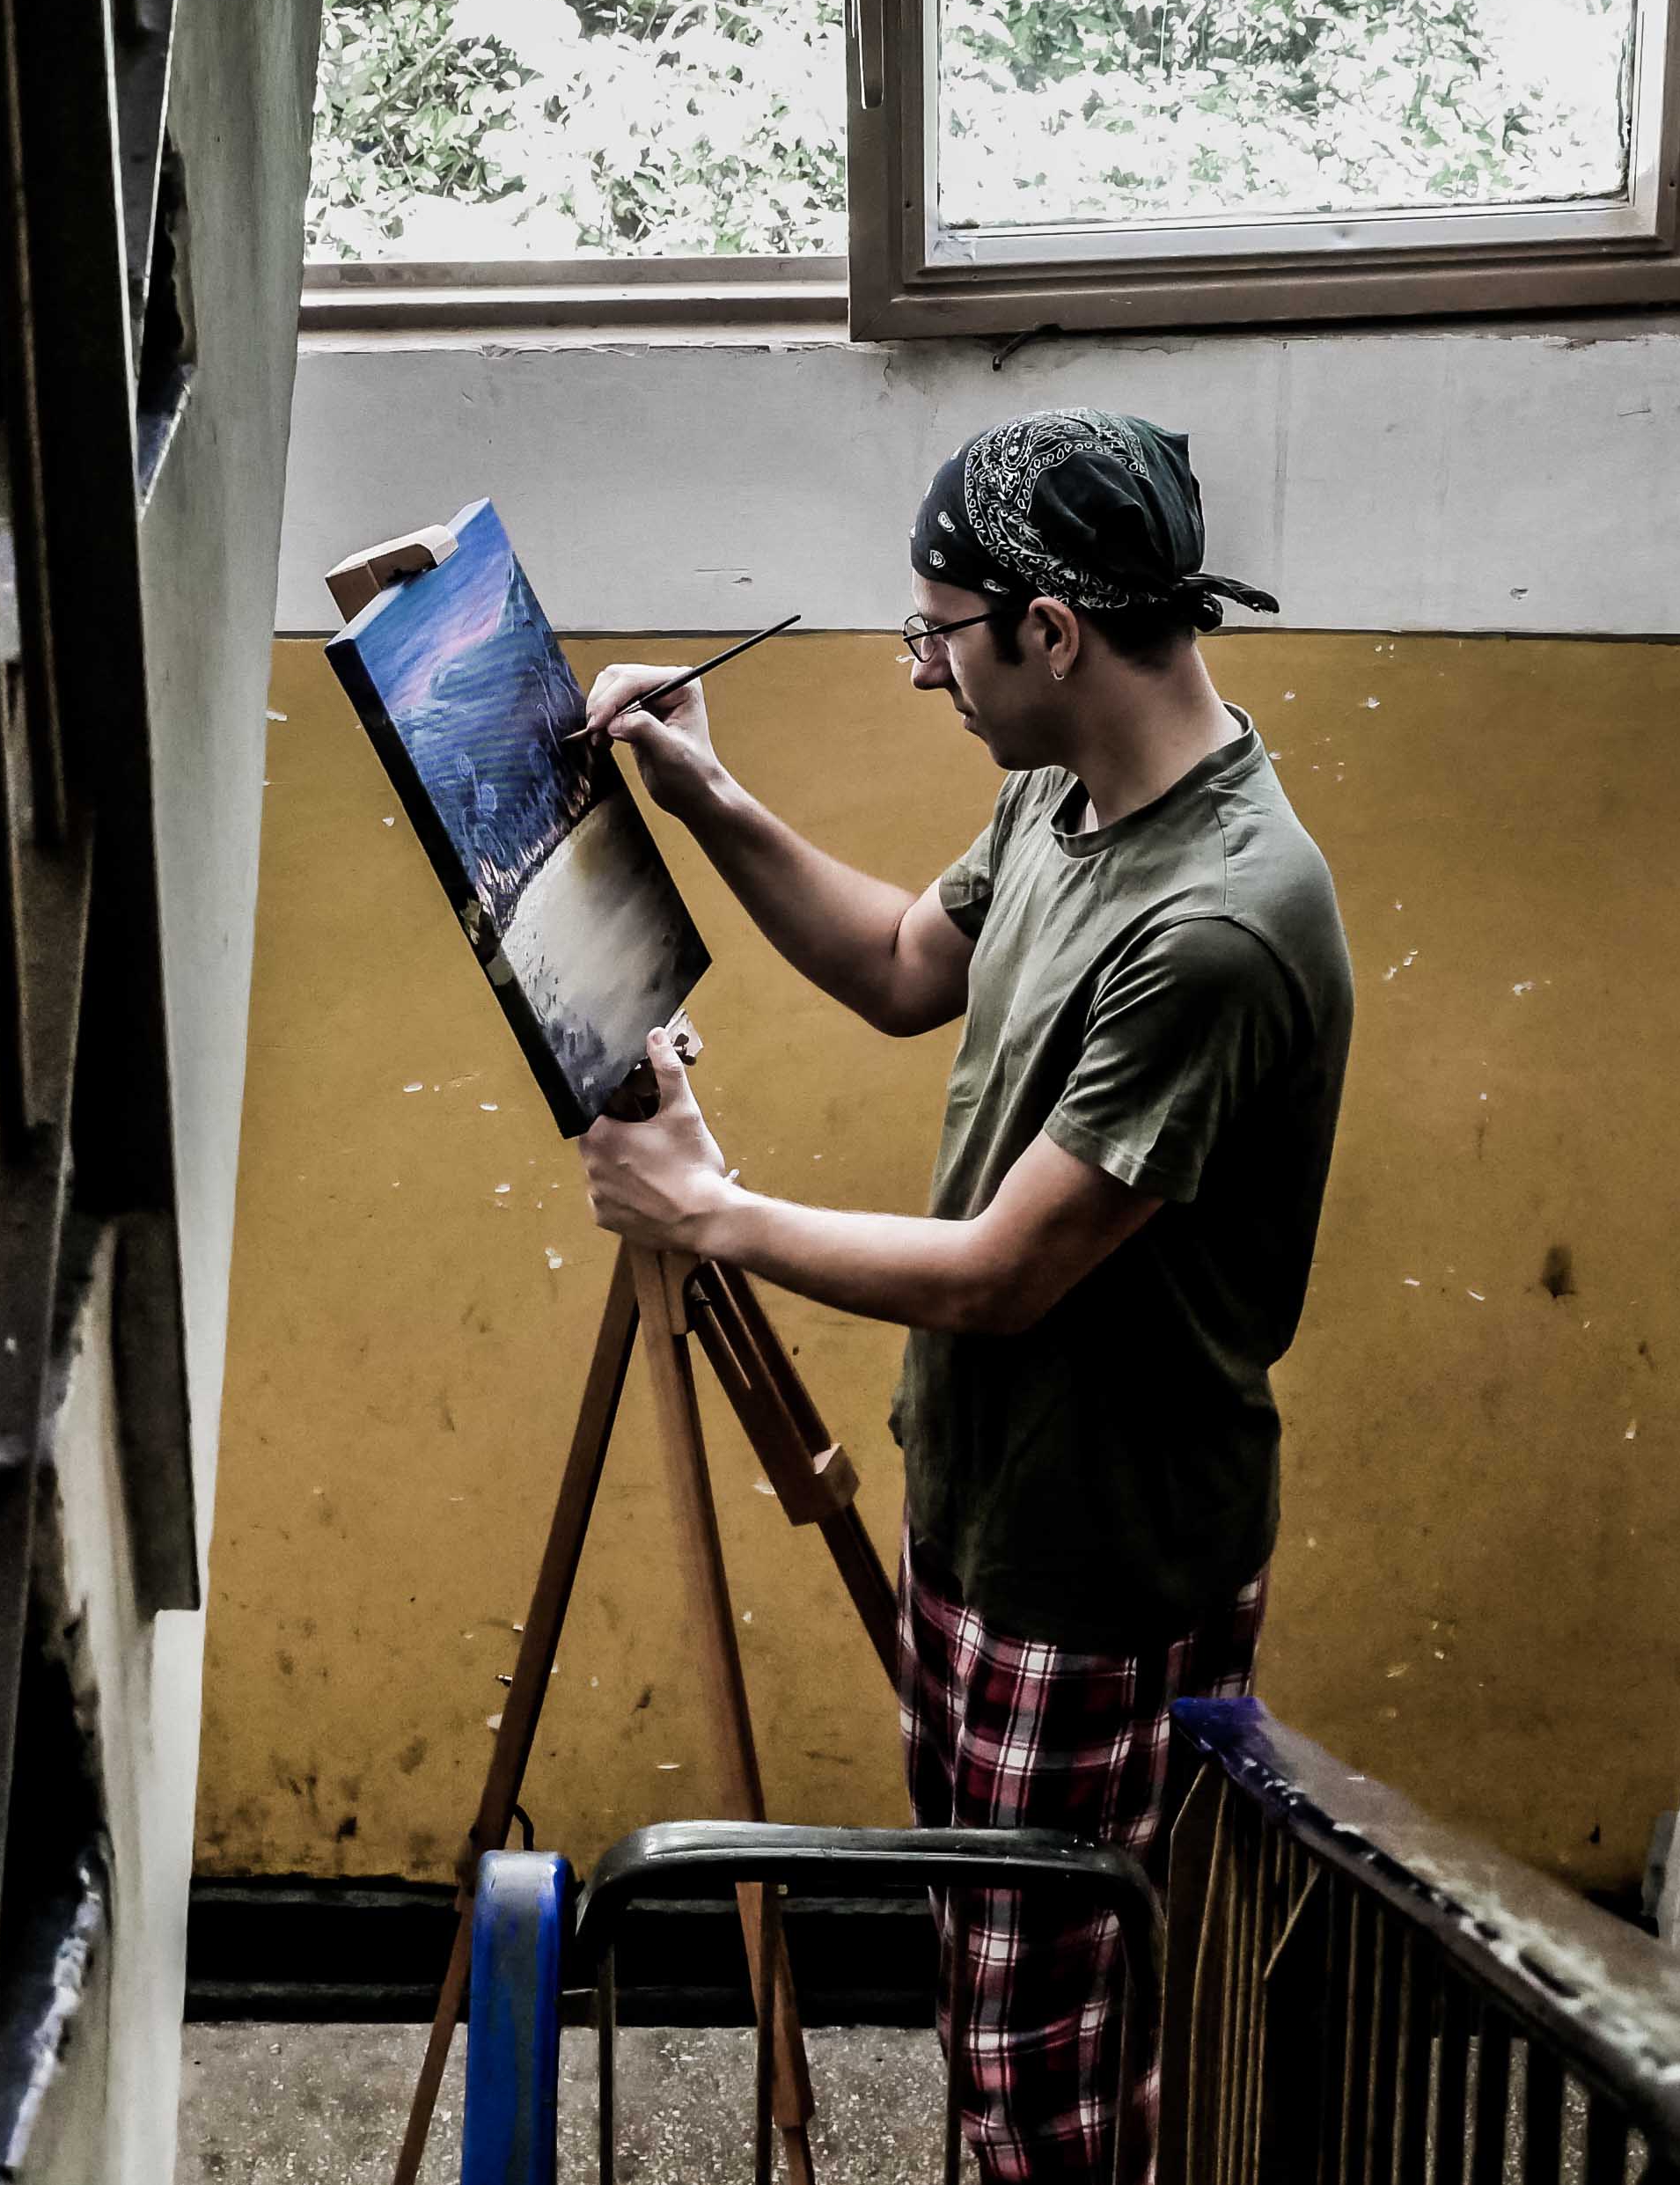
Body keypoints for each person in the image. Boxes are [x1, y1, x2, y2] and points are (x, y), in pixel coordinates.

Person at [575, 407, 1353, 2185]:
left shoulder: (1214, 924)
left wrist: (708, 1212)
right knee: (1025, 2011)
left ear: (1052, 629)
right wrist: (707, 797)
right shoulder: (1068, 802)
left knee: (1036, 2085)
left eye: (936, 634)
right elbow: (898, 962)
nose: (922, 669)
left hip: (1094, 1562)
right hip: (992, 1509)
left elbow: (1007, 1273)